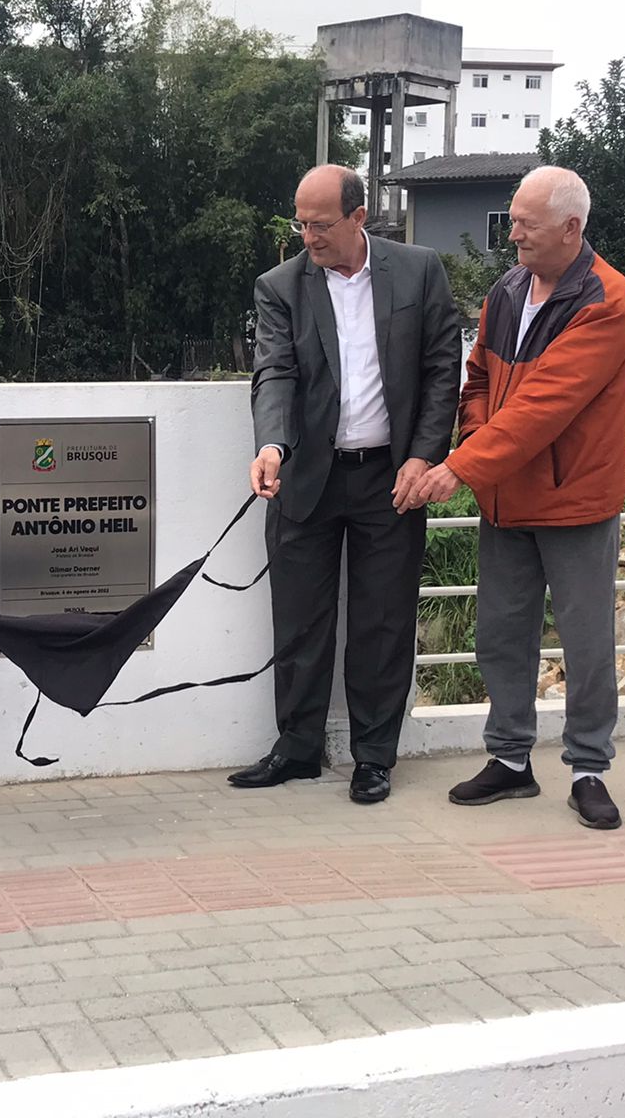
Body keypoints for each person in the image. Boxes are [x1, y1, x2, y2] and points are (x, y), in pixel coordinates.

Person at [413, 166, 625, 830]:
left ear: (571, 228)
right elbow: (479, 373)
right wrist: (481, 440)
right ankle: (510, 760)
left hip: (572, 502)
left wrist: (461, 465)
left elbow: (546, 406)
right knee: (501, 634)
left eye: (524, 224)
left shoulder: (609, 300)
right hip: (505, 497)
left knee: (585, 640)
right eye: (512, 220)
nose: (511, 235)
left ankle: (589, 767)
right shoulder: (508, 290)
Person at [234, 164, 462, 802]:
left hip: (392, 477)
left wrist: (424, 455)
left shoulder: (418, 270)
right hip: (307, 475)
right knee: (300, 618)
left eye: (321, 224)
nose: (308, 236)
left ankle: (374, 757)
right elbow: (274, 372)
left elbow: (444, 369)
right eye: (300, 223)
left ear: (360, 217)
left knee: (383, 621)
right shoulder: (279, 286)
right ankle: (299, 749)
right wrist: (272, 446)